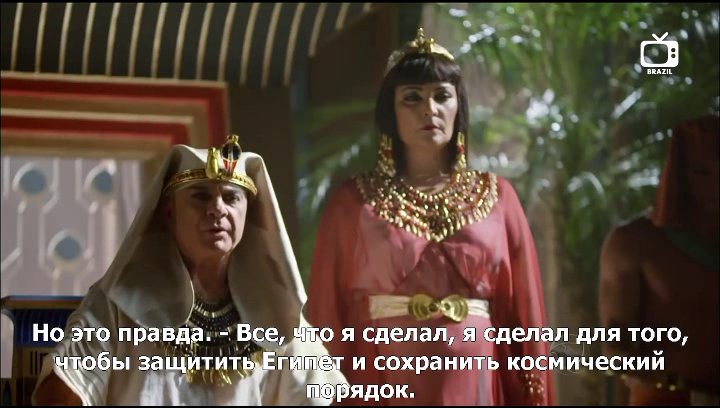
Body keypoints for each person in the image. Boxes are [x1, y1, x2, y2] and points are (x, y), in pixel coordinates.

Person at [305, 28, 554, 405]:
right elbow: (327, 316)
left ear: (459, 107)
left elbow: (525, 314)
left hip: (476, 376)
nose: (429, 109)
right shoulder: (352, 203)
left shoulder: (498, 197)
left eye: (442, 96)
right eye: (412, 98)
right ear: (391, 112)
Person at [31, 135, 348, 405]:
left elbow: (323, 394)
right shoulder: (117, 303)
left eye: (231, 197)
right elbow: (60, 391)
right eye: (200, 196)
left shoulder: (278, 312)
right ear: (169, 213)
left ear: (248, 214)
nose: (217, 208)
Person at [599, 114, 719, 406]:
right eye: (702, 172)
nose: (715, 185)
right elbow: (615, 344)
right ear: (680, 176)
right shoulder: (635, 243)